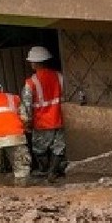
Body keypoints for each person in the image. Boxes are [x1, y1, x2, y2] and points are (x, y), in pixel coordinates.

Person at [22, 46, 66, 183]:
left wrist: (27, 122)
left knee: (39, 149)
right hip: (59, 118)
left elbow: (27, 105)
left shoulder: (31, 82)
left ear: (35, 63)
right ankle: (53, 172)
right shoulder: (60, 76)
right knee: (58, 147)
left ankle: (44, 171)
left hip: (41, 122)